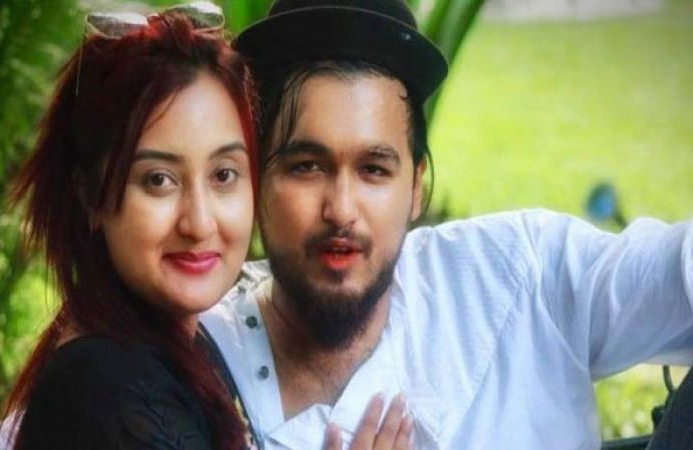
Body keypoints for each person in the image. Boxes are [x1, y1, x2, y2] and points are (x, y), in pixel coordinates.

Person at [200, 0, 693, 449]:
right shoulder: (198, 368)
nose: (342, 209)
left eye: (374, 170)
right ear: (256, 180)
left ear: (417, 187)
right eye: (307, 166)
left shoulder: (519, 273)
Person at [0, 3, 411, 450]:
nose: (199, 222)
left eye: (223, 175)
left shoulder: (181, 360)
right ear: (90, 197)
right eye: (159, 180)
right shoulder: (110, 392)